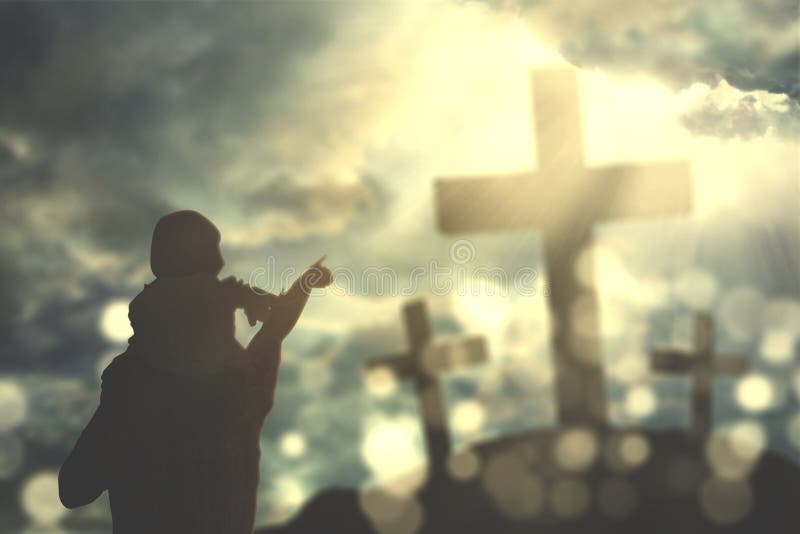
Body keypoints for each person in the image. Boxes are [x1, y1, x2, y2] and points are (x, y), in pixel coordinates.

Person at [58, 210, 331, 533]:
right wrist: (304, 286)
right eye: (211, 254)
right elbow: (275, 329)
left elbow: (74, 487)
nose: (220, 263)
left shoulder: (130, 390)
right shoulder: (240, 387)